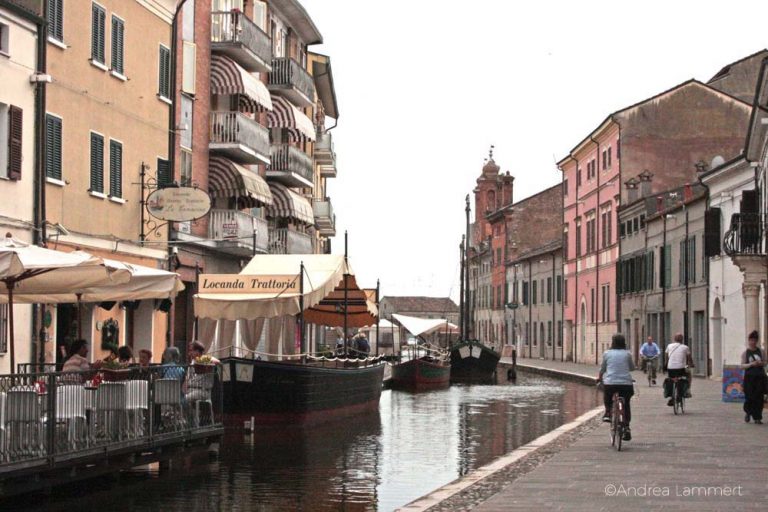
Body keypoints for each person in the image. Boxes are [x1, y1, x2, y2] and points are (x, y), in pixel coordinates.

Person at [598, 333, 635, 441]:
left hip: (611, 383)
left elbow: (603, 368)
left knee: (607, 396)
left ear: (612, 342)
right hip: (626, 384)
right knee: (626, 403)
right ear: (624, 342)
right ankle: (627, 427)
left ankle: (608, 413)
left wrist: (600, 378)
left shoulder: (607, 353)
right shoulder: (627, 354)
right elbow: (632, 368)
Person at [741, 330, 767, 424]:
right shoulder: (745, 353)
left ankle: (757, 417)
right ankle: (748, 412)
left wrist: (761, 363)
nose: (753, 342)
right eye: (751, 340)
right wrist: (751, 364)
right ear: (749, 341)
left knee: (759, 397)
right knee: (749, 397)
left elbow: (765, 362)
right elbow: (742, 365)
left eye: (755, 340)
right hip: (749, 378)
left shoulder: (761, 351)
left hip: (760, 378)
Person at [664, 333, 693, 405]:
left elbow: (666, 356)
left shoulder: (669, 346)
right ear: (682, 340)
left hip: (670, 368)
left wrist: (666, 364)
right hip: (681, 368)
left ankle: (672, 395)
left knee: (671, 379)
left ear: (674, 339)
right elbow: (689, 358)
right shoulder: (685, 347)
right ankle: (688, 390)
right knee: (688, 374)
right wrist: (691, 364)